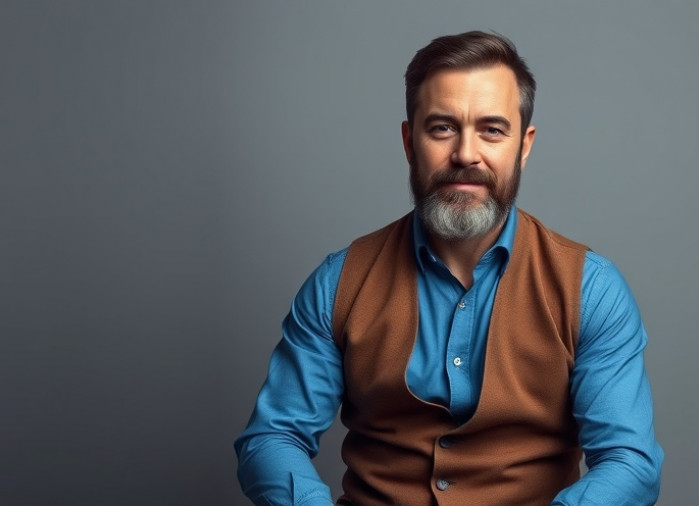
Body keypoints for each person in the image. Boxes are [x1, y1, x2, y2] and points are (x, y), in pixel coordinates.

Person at [235, 30, 663, 506]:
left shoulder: (591, 289)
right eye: (442, 128)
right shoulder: (338, 284)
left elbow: (630, 462)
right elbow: (272, 439)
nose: (465, 154)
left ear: (524, 144)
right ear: (408, 141)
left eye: (492, 130)